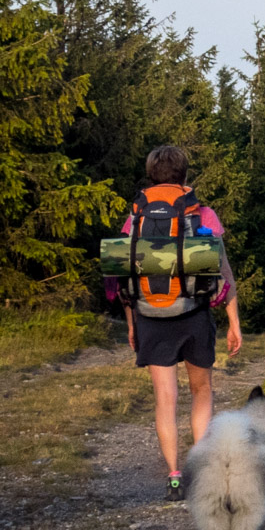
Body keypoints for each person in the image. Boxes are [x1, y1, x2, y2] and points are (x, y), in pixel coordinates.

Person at [107, 145, 243, 501]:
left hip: (150, 314)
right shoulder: (203, 214)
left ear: (151, 176)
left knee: (165, 398)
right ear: (185, 175)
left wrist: (132, 324)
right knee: (202, 391)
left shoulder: (135, 217)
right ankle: (200, 469)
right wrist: (233, 322)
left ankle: (173, 477)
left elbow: (124, 279)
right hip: (195, 314)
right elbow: (222, 269)